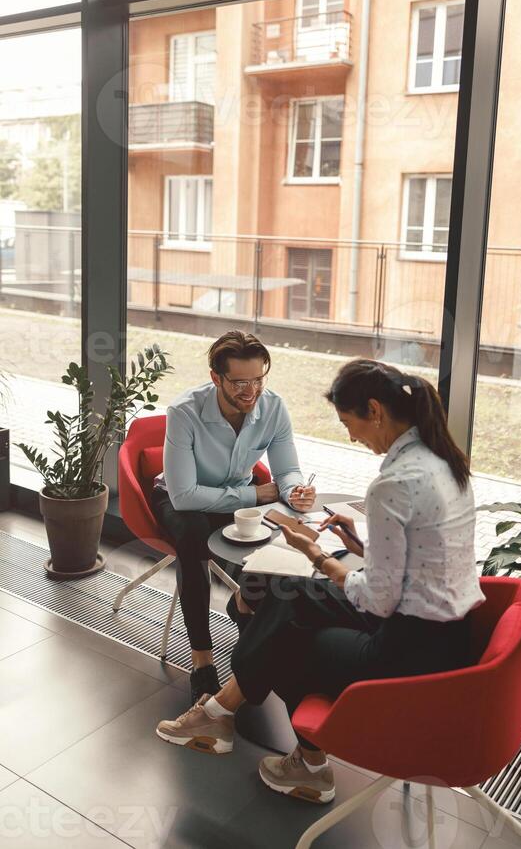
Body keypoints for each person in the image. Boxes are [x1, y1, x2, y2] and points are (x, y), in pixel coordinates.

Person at [156, 359, 485, 805]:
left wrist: (317, 554)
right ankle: (234, 714)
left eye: (349, 423)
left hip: (407, 650)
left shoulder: (394, 484)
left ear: (375, 410)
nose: (351, 436)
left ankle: (277, 747)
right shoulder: (445, 462)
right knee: (284, 596)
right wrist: (363, 547)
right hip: (448, 632)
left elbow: (378, 600)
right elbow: (425, 564)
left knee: (285, 635)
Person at [151, 330, 315, 703]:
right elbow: (185, 494)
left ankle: (244, 603)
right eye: (239, 382)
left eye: (258, 380)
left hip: (235, 503)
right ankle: (202, 661)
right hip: (180, 502)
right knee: (192, 536)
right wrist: (255, 494)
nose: (250, 391)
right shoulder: (184, 412)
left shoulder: (273, 407)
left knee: (282, 536)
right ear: (216, 378)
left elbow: (287, 470)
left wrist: (295, 491)